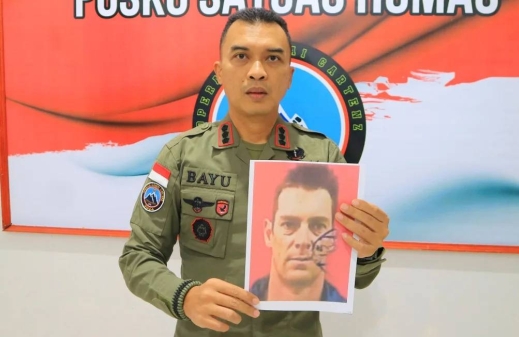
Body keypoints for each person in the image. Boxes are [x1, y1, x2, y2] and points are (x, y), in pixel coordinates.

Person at [118, 7, 390, 337]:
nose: (257, 71)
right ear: (219, 71)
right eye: (242, 57)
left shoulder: (323, 157)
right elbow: (138, 256)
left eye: (272, 59)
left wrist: (367, 250)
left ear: (289, 77)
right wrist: (183, 297)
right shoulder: (183, 155)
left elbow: (356, 278)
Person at [250, 163, 346, 303]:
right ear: (269, 233)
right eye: (289, 225)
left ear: (332, 238)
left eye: (318, 226)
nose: (302, 241)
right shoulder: (236, 299)